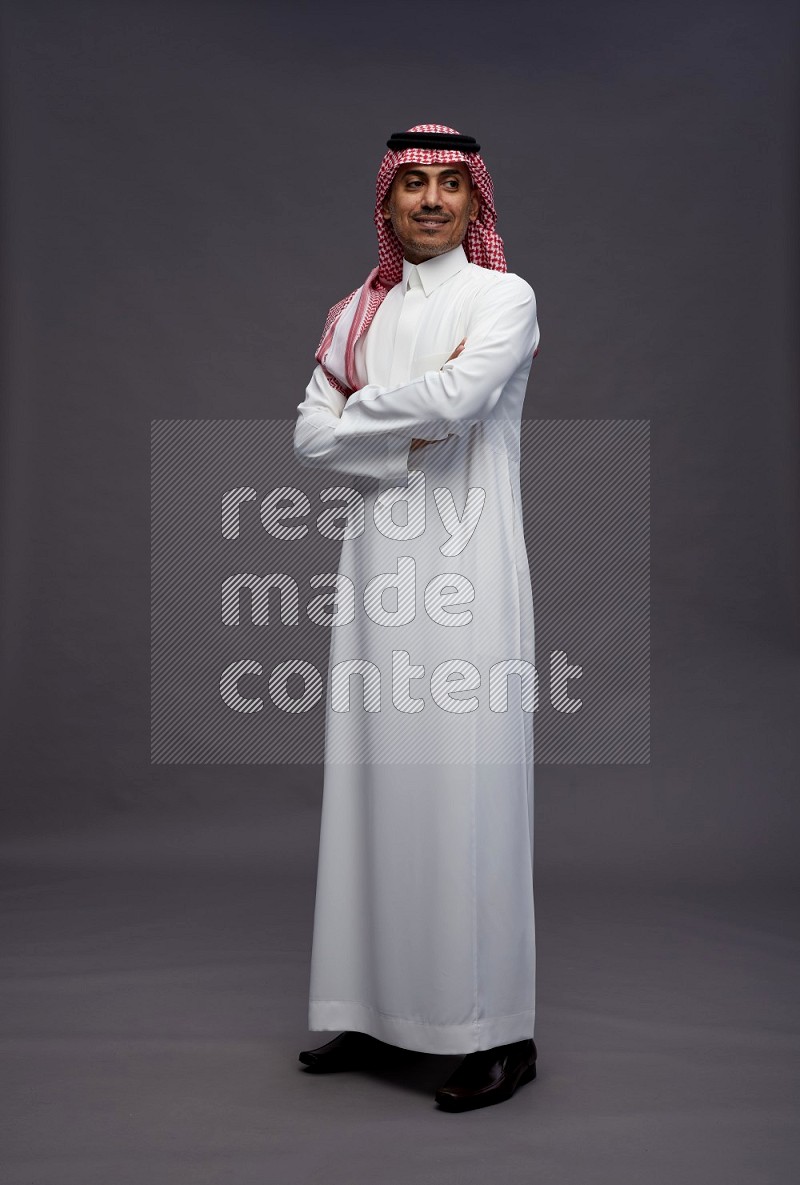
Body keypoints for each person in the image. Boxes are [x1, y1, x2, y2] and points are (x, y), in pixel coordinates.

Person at [292, 123, 541, 1112]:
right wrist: (403, 427)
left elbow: (465, 394)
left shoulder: (502, 297)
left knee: (464, 793)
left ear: (476, 204)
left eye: (449, 185)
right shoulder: (356, 308)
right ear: (386, 204)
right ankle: (371, 1008)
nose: (431, 200)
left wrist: (365, 413)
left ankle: (496, 1033)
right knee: (370, 788)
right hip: (372, 579)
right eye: (412, 186)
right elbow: (308, 439)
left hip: (467, 572)